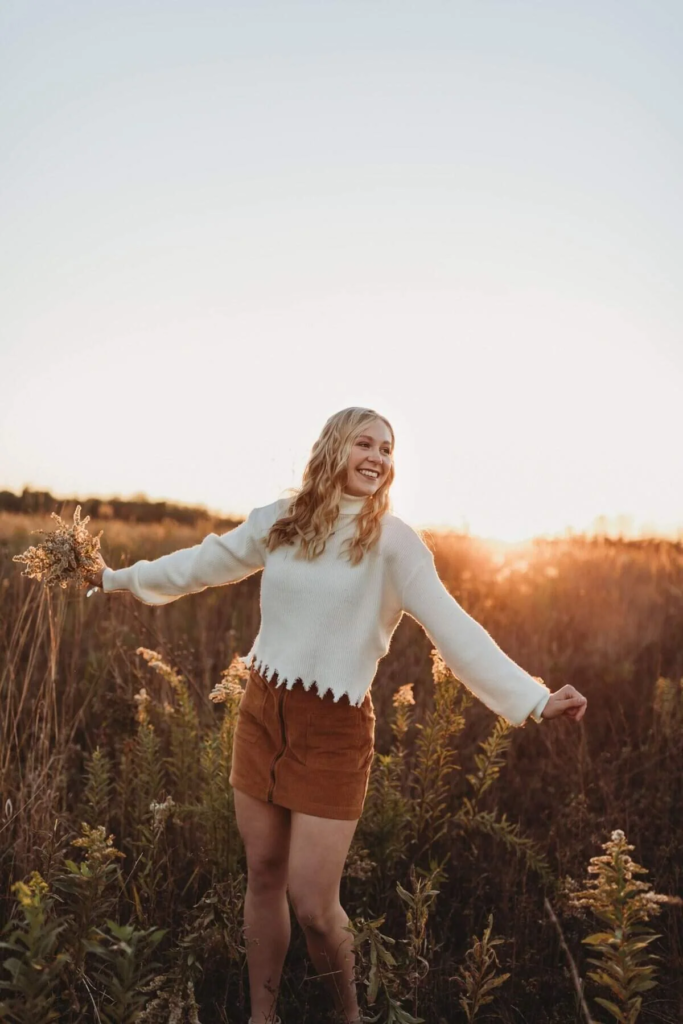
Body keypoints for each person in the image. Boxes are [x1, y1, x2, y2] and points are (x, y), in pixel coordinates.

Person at [86, 406, 587, 1024]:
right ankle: (260, 1017)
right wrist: (114, 577)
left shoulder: (395, 544)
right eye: (365, 444)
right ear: (333, 448)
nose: (378, 457)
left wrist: (533, 698)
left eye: (387, 449)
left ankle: (347, 1016)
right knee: (264, 875)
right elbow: (202, 563)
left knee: (316, 906)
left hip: (335, 728)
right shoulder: (284, 521)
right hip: (263, 711)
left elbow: (454, 628)